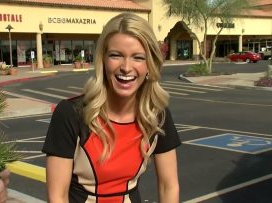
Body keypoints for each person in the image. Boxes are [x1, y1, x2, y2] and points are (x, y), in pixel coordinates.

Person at [42, 12, 181, 203]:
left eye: (138, 57)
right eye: (116, 55)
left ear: (150, 64)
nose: (126, 67)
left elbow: (169, 186)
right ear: (103, 60)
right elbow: (57, 196)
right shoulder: (70, 113)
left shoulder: (157, 115)